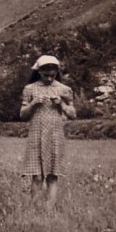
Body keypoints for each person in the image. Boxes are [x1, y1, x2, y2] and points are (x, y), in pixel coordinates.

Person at [19, 54, 76, 206]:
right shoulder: (29, 89)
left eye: (53, 75)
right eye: (46, 75)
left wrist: (61, 105)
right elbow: (22, 115)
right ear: (38, 72)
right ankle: (35, 208)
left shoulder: (64, 89)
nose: (49, 79)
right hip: (36, 134)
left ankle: (49, 210)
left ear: (57, 73)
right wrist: (33, 104)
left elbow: (73, 115)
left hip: (55, 135)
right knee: (36, 176)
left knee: (52, 175)